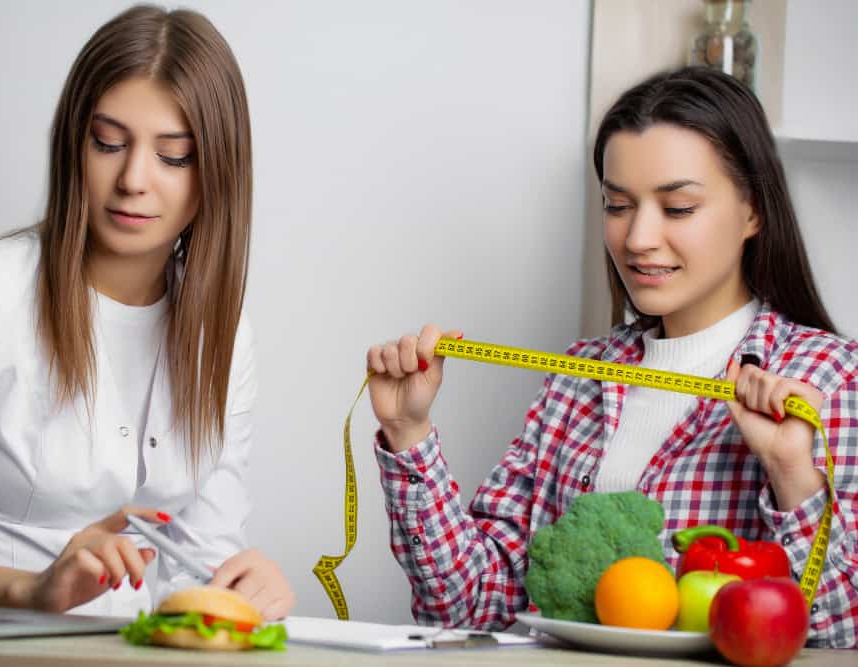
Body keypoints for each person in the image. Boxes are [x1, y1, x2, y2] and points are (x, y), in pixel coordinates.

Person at [365, 67, 856, 648]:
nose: (639, 237)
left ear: (753, 211)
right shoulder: (580, 376)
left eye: (677, 208)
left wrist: (792, 474)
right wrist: (409, 434)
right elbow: (470, 606)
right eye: (618, 205)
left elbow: (837, 633)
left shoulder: (827, 377)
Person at [0, 5, 294, 620]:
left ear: (216, 172)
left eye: (174, 156)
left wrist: (242, 590)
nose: (133, 179)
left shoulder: (221, 335)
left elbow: (203, 559)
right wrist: (31, 590)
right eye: (109, 143)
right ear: (74, 144)